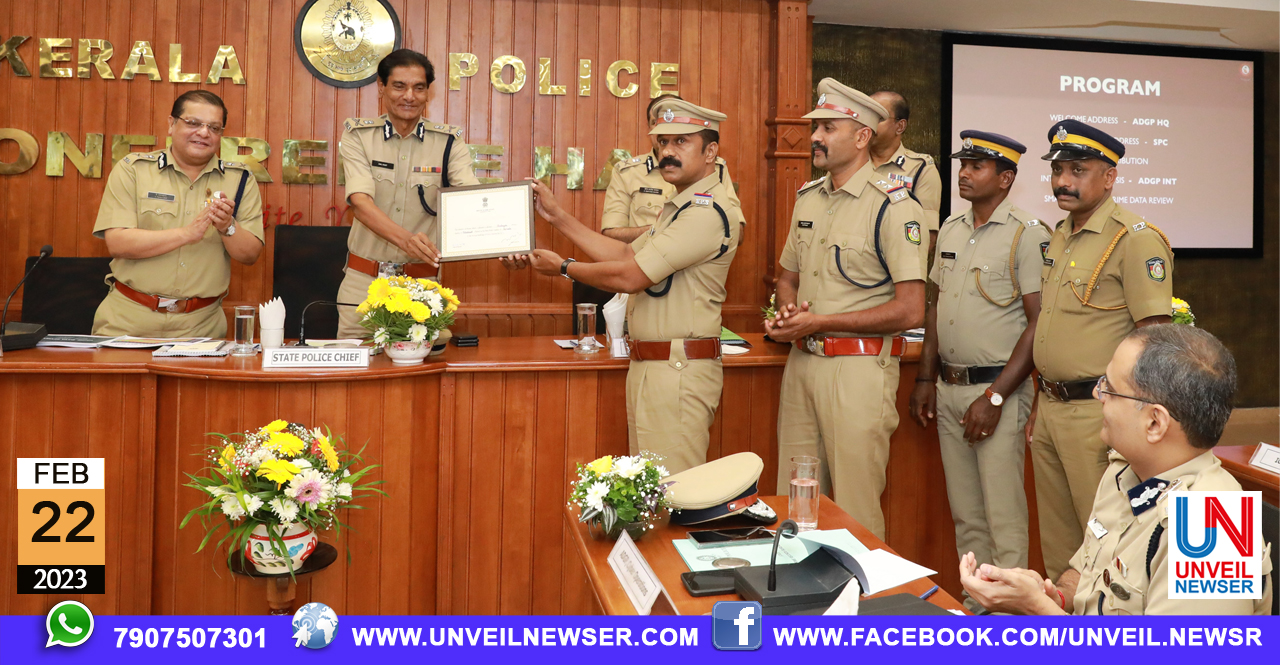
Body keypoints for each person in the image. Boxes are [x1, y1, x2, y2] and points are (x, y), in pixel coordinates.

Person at [501, 99, 744, 474]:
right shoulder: (678, 207)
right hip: (653, 364)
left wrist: (563, 267)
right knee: (651, 490)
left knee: (672, 491)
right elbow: (625, 252)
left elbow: (631, 276)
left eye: (681, 141)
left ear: (711, 152)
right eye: (662, 142)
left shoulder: (706, 212)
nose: (667, 152)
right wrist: (557, 216)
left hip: (678, 370)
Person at [960, 324, 1273, 615]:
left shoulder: (1211, 529)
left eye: (1109, 388)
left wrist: (1037, 609)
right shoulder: (1126, 471)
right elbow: (1090, 573)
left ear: (1155, 423)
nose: (1097, 395)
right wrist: (1053, 596)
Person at [767, 79, 928, 539]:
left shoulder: (895, 206)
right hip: (802, 365)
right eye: (816, 128)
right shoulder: (808, 198)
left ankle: (864, 588)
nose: (815, 137)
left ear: (861, 137)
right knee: (795, 505)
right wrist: (788, 315)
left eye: (828, 128)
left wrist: (820, 321)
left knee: (855, 512)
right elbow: (787, 277)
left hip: (858, 370)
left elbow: (911, 310)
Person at [1029, 119, 1174, 581]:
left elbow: (1155, 338)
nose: (1063, 181)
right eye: (1057, 171)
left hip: (1101, 413)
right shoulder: (1060, 233)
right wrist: (1039, 401)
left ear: (1109, 177)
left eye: (1078, 170)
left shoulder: (1134, 239)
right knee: (1060, 544)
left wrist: (1137, 420)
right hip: (1050, 406)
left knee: (1105, 542)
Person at [910, 130, 1050, 605]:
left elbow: (1038, 324)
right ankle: (978, 606)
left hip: (996, 392)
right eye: (962, 165)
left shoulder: (1027, 234)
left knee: (1002, 515)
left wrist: (995, 397)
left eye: (977, 166)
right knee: (967, 514)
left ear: (1006, 178)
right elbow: (936, 309)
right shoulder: (951, 228)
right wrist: (925, 377)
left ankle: (1012, 615)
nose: (964, 174)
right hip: (949, 388)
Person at [91, 90, 264, 337]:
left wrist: (228, 226)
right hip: (128, 321)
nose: (203, 133)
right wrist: (187, 234)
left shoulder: (240, 179)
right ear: (171, 124)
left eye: (214, 128)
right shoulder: (134, 170)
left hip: (201, 327)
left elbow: (250, 255)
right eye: (193, 123)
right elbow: (118, 243)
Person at [336, 48, 479, 339]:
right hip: (364, 283)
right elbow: (360, 203)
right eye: (399, 86)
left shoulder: (449, 143)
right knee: (357, 363)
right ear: (382, 87)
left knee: (421, 364)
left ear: (428, 93)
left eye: (419, 88)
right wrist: (407, 240)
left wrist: (506, 236)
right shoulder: (358, 136)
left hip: (421, 285)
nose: (409, 96)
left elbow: (471, 201)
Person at [600, 94, 739, 243]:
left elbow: (736, 231)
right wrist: (663, 229)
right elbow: (611, 233)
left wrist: (677, 229)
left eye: (680, 140)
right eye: (657, 123)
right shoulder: (627, 172)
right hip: (641, 256)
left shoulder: (714, 169)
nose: (665, 129)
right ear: (649, 128)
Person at [869, 91, 941, 252]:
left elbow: (926, 237)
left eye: (878, 117)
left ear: (900, 126)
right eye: (867, 115)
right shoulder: (850, 163)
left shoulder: (920, 168)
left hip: (892, 264)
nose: (869, 123)